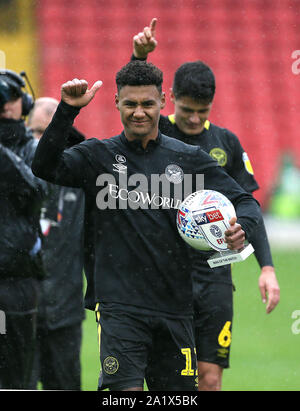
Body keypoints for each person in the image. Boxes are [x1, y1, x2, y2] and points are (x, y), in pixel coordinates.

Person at [31, 60, 261, 391]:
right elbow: (44, 166)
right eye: (131, 104)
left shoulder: (188, 159)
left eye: (147, 104)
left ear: (162, 103)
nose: (139, 112)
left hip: (176, 309)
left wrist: (244, 228)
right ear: (117, 103)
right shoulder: (97, 157)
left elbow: (246, 201)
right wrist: (67, 111)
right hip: (119, 308)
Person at [131, 18, 280, 391]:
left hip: (215, 274)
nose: (195, 118)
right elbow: (130, 100)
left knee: (209, 379)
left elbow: (249, 206)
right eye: (186, 110)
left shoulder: (225, 143)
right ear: (170, 100)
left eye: (203, 110)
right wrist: (138, 57)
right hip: (163, 274)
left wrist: (267, 267)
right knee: (169, 380)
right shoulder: (155, 132)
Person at [26, 97, 85, 390]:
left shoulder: (82, 180)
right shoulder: (10, 179)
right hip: (17, 312)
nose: (41, 140)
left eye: (47, 132)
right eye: (35, 132)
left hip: (65, 314)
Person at [0, 69, 48, 389]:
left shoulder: (33, 149)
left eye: (12, 96)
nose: (6, 105)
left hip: (17, 279)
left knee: (17, 380)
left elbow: (35, 190)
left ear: (26, 102)